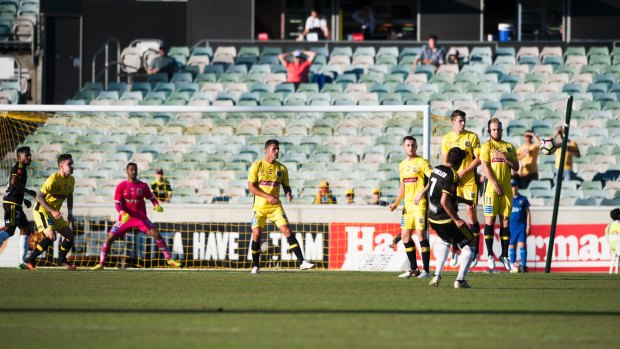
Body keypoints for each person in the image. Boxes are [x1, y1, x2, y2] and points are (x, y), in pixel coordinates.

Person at [91, 163, 181, 270]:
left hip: (140, 218)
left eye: (135, 170)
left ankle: (169, 259)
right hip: (125, 218)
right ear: (127, 171)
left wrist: (156, 205)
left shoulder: (143, 186)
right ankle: (101, 264)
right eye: (131, 170)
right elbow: (117, 204)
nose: (133, 172)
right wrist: (122, 213)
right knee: (109, 238)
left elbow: (151, 198)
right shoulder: (121, 186)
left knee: (156, 234)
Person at [248, 139, 315, 274]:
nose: (277, 151)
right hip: (259, 208)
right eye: (274, 149)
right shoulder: (257, 165)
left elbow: (285, 184)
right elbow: (251, 187)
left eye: (278, 149)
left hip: (275, 207)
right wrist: (267, 196)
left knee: (287, 231)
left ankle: (302, 262)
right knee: (256, 234)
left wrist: (288, 192)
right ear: (266, 150)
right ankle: (255, 266)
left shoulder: (282, 168)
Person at [427, 147, 476, 288]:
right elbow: (444, 201)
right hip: (446, 219)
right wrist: (457, 220)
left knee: (445, 241)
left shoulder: (436, 169)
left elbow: (448, 196)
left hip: (433, 218)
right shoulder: (453, 175)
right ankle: (460, 281)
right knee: (470, 243)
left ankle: (437, 276)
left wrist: (466, 201)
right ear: (460, 162)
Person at [441, 110, 482, 267]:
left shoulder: (472, 137)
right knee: (452, 214)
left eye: (464, 120)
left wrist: (464, 171)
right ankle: (454, 248)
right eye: (460, 121)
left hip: (469, 180)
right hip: (453, 182)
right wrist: (451, 177)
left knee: (471, 214)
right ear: (453, 122)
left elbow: (479, 158)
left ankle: (474, 251)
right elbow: (445, 161)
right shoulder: (447, 138)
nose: (463, 123)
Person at [22, 154, 77, 270]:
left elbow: (70, 196)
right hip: (42, 210)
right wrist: (52, 211)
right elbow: (39, 197)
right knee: (52, 236)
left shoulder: (72, 180)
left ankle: (62, 259)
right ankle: (29, 260)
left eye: (72, 164)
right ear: (61, 166)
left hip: (54, 212)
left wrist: (70, 214)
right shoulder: (53, 179)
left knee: (70, 236)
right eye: (69, 164)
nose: (72, 166)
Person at [389, 136, 433, 278]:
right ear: (404, 147)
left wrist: (422, 192)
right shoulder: (402, 165)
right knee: (405, 236)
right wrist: (396, 204)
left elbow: (433, 179)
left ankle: (426, 270)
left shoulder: (422, 162)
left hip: (420, 205)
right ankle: (414, 269)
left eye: (413, 145)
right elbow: (403, 186)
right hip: (407, 207)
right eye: (408, 145)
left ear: (416, 147)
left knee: (421, 235)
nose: (411, 147)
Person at [480, 118, 519, 271]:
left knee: (506, 222)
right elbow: (485, 167)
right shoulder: (486, 146)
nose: (497, 132)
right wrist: (495, 184)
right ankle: (489, 254)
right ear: (489, 131)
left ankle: (504, 255)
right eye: (494, 129)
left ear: (502, 130)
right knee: (490, 220)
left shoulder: (509, 147)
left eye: (499, 129)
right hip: (491, 190)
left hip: (507, 190)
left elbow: (517, 167)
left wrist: (505, 157)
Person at [0, 146, 37, 268]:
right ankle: (21, 262)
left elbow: (13, 187)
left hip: (14, 203)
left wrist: (23, 199)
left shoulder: (21, 167)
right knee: (11, 231)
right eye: (27, 155)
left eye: (30, 155)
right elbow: (14, 182)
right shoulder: (19, 166)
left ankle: (21, 262)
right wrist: (28, 191)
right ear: (19, 157)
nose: (29, 157)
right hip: (12, 204)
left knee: (24, 229)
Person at [509, 178, 531, 273]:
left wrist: (528, 226)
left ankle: (524, 265)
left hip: (522, 225)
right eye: (511, 186)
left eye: (514, 186)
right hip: (511, 226)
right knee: (512, 245)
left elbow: (528, 213)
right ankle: (512, 264)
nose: (513, 188)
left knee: (522, 244)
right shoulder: (508, 200)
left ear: (517, 187)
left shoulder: (523, 199)